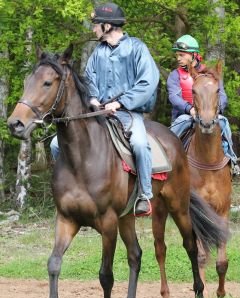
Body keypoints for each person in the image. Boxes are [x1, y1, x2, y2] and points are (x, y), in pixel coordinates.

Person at [50, 2, 160, 215]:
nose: (93, 29)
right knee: (56, 144)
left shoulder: (137, 48)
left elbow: (148, 81)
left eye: (96, 24)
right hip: (97, 113)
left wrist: (120, 102)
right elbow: (89, 81)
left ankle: (145, 195)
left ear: (107, 26)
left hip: (127, 112)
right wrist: (92, 99)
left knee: (139, 143)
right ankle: (72, 187)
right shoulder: (97, 53)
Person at [167, 34, 240, 176]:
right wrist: (190, 109)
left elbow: (222, 96)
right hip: (185, 115)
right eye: (177, 55)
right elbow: (174, 97)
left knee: (224, 123)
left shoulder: (211, 74)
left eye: (181, 55)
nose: (178, 59)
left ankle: (231, 158)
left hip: (209, 114)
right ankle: (171, 162)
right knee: (177, 128)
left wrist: (215, 110)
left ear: (194, 55)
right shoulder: (175, 75)